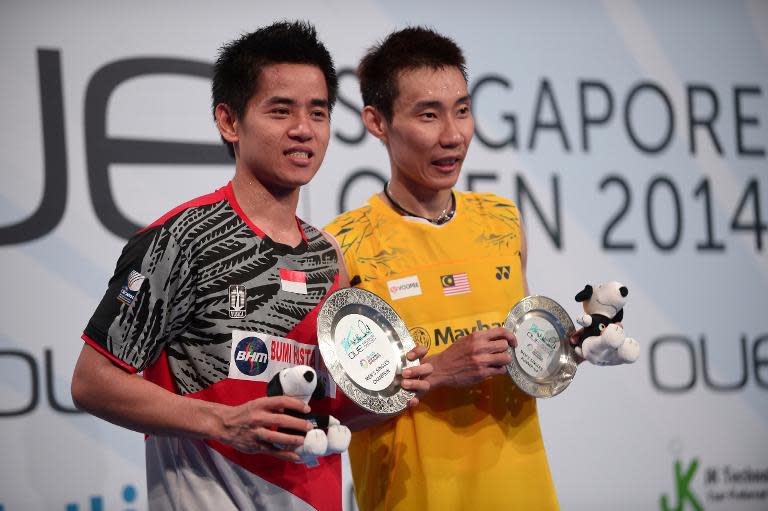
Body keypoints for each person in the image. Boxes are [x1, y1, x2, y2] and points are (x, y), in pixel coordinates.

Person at [71, 21, 430, 511]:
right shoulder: (180, 239)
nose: (303, 129)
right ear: (229, 121)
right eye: (280, 110)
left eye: (318, 112)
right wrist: (223, 422)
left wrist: (389, 388)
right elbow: (92, 382)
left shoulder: (328, 256)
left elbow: (321, 414)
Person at [324, 27, 560, 510]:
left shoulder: (504, 220)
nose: (453, 135)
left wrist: (570, 345)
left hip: (525, 492)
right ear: (377, 121)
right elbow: (327, 413)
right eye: (428, 115)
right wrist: (434, 372)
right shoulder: (342, 246)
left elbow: (529, 351)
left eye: (463, 110)